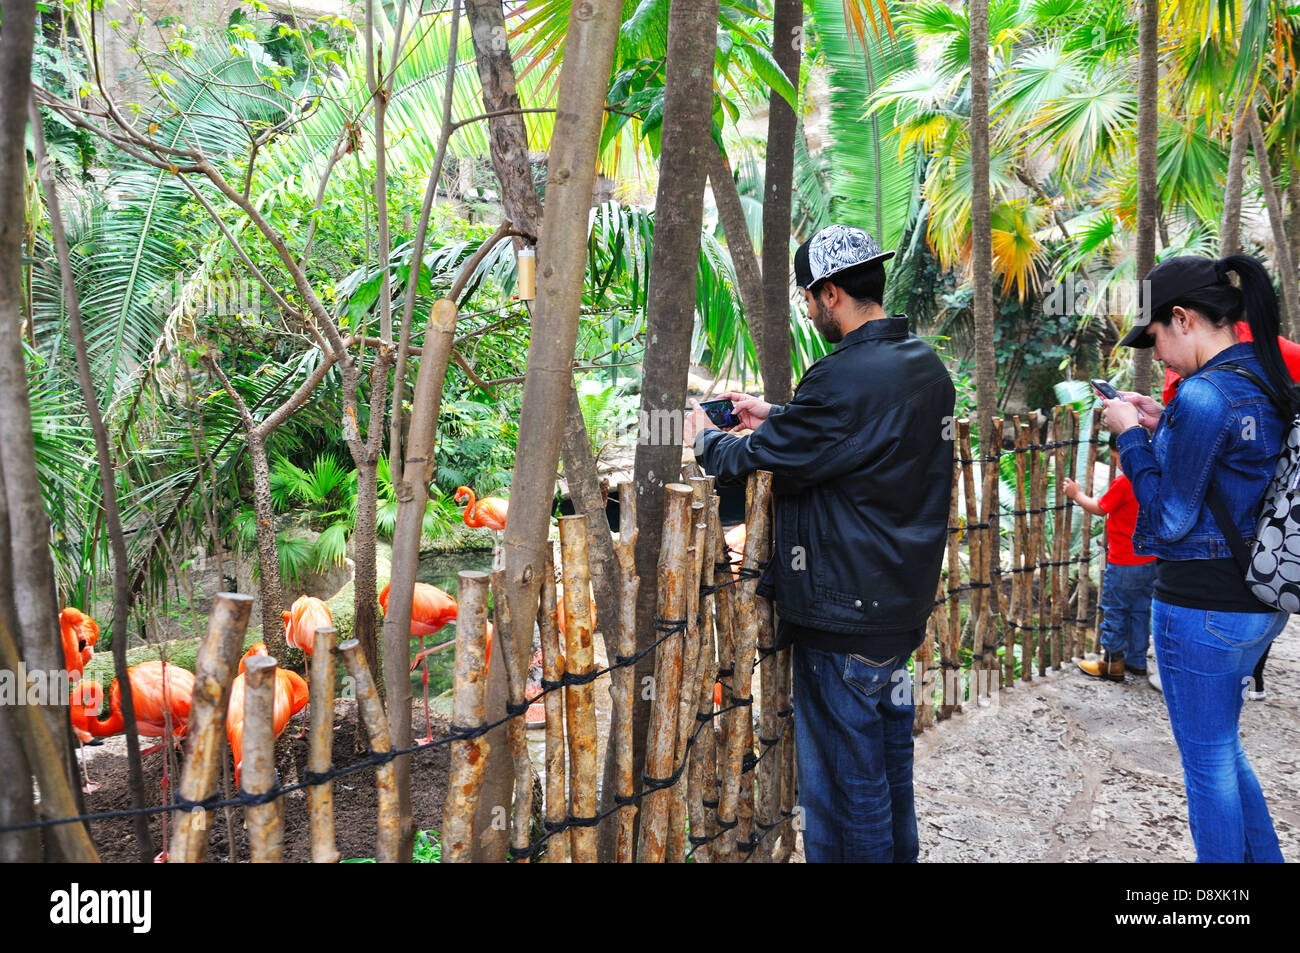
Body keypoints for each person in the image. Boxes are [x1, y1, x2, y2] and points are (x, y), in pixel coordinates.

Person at [684, 224, 955, 862]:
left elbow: (760, 458)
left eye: (809, 296)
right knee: (889, 770)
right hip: (897, 608)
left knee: (841, 790)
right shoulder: (922, 364)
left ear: (832, 293)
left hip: (844, 618)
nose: (809, 309)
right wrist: (778, 413)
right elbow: (856, 436)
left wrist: (705, 438)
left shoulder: (841, 377)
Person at [1103, 253, 1295, 862]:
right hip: (1258, 601)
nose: (1156, 353)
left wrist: (1129, 435)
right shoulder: (1263, 376)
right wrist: (1164, 425)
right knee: (1222, 748)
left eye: (1155, 336)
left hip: (1203, 606)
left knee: (1207, 761)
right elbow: (1229, 473)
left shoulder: (1205, 394)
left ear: (1182, 318)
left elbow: (1164, 521)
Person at [1064, 451, 1157, 680]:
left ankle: (1112, 663)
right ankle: (1136, 662)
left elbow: (1100, 508)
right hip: (1150, 561)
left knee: (1115, 610)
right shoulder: (1153, 476)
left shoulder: (1125, 481)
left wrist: (1076, 494)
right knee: (1139, 611)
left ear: (1119, 456)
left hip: (1124, 561)